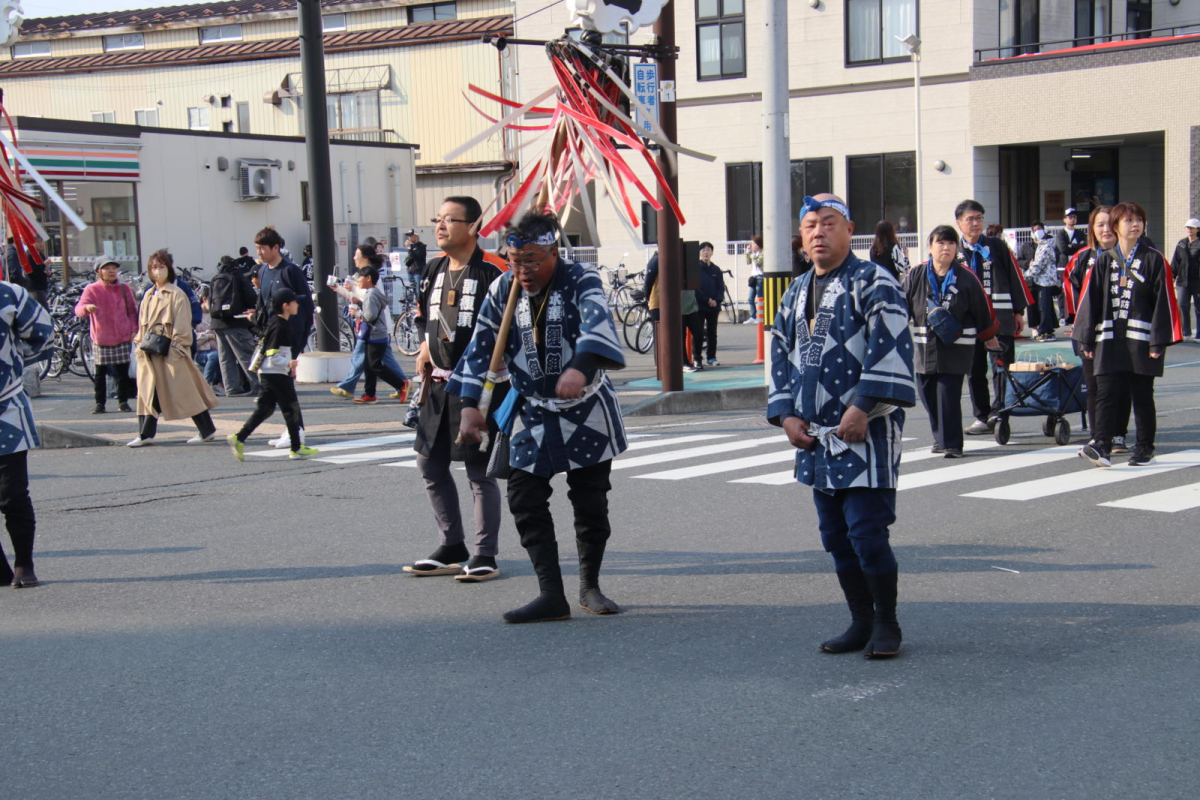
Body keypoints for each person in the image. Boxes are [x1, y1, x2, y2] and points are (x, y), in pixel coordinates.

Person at [450, 211, 627, 624]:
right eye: (515, 260)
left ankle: (590, 584)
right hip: (531, 410)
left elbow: (597, 325)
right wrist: (471, 406)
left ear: (554, 251)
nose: (523, 270)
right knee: (525, 499)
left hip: (586, 408)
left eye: (532, 259)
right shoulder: (502, 288)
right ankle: (551, 593)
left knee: (590, 503)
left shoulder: (580, 279)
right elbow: (480, 348)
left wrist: (580, 366)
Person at [767, 194, 916, 659]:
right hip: (816, 436)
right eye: (810, 225)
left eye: (828, 223)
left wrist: (862, 404)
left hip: (865, 430)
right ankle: (860, 619)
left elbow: (891, 342)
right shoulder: (793, 292)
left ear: (850, 230)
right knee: (834, 536)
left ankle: (887, 622)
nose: (818, 232)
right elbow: (779, 358)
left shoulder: (874, 280)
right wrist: (786, 414)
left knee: (867, 533)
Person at [404, 196, 507, 582]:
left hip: (480, 388)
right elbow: (422, 315)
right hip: (437, 384)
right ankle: (452, 544)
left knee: (479, 473)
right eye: (438, 218)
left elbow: (508, 327)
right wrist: (426, 344)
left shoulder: (494, 271)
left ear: (474, 226)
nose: (441, 226)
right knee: (429, 463)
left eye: (451, 219)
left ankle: (484, 554)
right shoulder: (433, 268)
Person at [1075, 202, 1181, 468]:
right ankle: (1101, 444)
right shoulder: (1104, 260)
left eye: (1139, 220)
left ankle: (1145, 447)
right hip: (1109, 339)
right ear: (1116, 227)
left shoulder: (1154, 259)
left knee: (1142, 395)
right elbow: (1091, 302)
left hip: (1142, 339)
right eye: (1128, 220)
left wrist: (1159, 340)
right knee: (1106, 392)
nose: (1135, 225)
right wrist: (1086, 337)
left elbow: (1164, 302)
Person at [903, 226, 1000, 458]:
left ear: (956, 248)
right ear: (930, 247)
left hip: (955, 348)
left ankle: (953, 444)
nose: (945, 247)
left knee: (948, 395)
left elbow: (982, 311)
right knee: (927, 396)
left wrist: (990, 338)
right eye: (940, 243)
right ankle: (940, 440)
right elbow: (900, 307)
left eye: (950, 243)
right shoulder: (916, 275)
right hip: (924, 349)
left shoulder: (966, 277)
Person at [954, 200, 1032, 435]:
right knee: (974, 369)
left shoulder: (997, 246)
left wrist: (1018, 311)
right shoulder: (953, 252)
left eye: (979, 217)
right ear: (959, 223)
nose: (976, 223)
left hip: (1000, 317)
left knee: (1002, 367)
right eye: (970, 219)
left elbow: (1014, 277)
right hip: (969, 323)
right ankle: (982, 415)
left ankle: (1000, 412)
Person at [128, 249, 220, 448]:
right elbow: (141, 323)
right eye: (154, 267)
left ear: (169, 269)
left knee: (185, 392)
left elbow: (183, 324)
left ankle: (206, 429)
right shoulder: (149, 294)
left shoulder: (177, 294)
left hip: (170, 350)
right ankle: (145, 434)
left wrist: (177, 348)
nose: (157, 271)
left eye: (161, 267)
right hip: (149, 350)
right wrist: (138, 343)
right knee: (147, 393)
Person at [1064, 206, 1130, 454]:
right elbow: (1070, 289)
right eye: (1099, 224)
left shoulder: (1130, 257)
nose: (1105, 229)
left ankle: (1119, 435)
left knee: (1121, 384)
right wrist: (1078, 323)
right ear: (1092, 229)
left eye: (1109, 223)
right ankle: (1098, 435)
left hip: (1122, 332)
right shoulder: (1082, 257)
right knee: (1094, 386)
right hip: (1090, 333)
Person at [0, 280, 53, 587]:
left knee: (12, 493)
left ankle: (24, 563)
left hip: (5, 407)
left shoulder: (9, 293)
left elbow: (42, 333)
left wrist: (14, 362)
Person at [228, 288, 319, 461]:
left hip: (269, 372)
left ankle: (239, 438)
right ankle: (296, 448)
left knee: (266, 409)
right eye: (294, 302)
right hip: (276, 372)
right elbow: (272, 353)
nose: (297, 305)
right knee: (290, 409)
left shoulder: (275, 321)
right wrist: (288, 363)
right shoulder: (280, 325)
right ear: (286, 306)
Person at [254, 227, 314, 448]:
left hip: (288, 337)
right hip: (271, 337)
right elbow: (262, 303)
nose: (259, 252)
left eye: (263, 248)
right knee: (277, 387)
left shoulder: (290, 271)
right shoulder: (262, 272)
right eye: (257, 248)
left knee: (284, 386)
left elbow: (306, 305)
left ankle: (296, 431)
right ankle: (292, 430)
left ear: (276, 247)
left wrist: (297, 341)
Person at [330, 245, 410, 400]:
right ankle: (400, 385)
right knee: (378, 361)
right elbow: (360, 298)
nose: (354, 257)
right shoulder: (363, 276)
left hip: (372, 328)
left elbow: (368, 301)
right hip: (374, 327)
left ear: (366, 257)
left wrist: (353, 293)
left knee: (364, 359)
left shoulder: (371, 276)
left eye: (356, 254)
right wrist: (340, 289)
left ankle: (349, 387)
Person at [76, 257, 139, 414]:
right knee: (99, 374)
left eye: (114, 268)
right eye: (107, 268)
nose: (111, 271)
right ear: (99, 272)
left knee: (122, 373)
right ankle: (100, 403)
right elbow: (78, 309)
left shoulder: (124, 288)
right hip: (101, 337)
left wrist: (134, 330)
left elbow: (132, 312)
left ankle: (123, 402)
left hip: (122, 335)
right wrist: (86, 308)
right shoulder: (91, 289)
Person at [348, 265, 409, 404]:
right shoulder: (373, 293)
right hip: (375, 334)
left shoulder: (370, 295)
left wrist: (357, 313)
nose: (358, 280)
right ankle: (370, 394)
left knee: (375, 365)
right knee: (368, 365)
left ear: (368, 278)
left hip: (375, 334)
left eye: (360, 278)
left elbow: (370, 316)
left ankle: (401, 384)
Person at [206, 251, 259, 397]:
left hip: (217, 323)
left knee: (225, 357)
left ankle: (231, 388)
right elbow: (251, 298)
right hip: (236, 321)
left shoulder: (215, 279)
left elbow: (210, 301)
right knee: (245, 354)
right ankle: (257, 386)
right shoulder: (238, 277)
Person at [1023, 222, 1062, 341]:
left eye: (1040, 229)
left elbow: (1039, 264)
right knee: (1045, 306)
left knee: (1044, 307)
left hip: (1045, 281)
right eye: (1035, 230)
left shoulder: (1046, 245)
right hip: (1041, 280)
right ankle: (1048, 330)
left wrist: (1026, 275)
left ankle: (1044, 330)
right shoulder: (1043, 244)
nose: (1037, 232)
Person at [1054, 208, 1088, 324]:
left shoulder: (1080, 233)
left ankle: (1077, 314)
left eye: (1074, 217)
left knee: (1077, 289)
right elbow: (1063, 249)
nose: (1072, 219)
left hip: (1077, 265)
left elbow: (1085, 247)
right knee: (1063, 291)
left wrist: (1071, 246)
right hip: (1063, 266)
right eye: (1070, 217)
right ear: (1064, 219)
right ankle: (1063, 315)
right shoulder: (1061, 234)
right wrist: (1077, 246)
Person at [696, 241, 725, 367]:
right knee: (698, 332)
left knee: (712, 332)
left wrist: (716, 300)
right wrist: (706, 299)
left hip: (714, 306)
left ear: (712, 252)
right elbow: (695, 288)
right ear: (699, 253)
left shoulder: (716, 269)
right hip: (700, 305)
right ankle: (697, 358)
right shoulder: (696, 268)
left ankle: (711, 357)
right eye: (703, 250)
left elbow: (720, 287)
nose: (706, 252)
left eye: (708, 250)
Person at [1172, 218, 1200, 341]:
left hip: (1197, 281)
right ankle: (1186, 333)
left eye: (1192, 228)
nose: (1189, 230)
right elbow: (1176, 262)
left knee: (1198, 308)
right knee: (1183, 305)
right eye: (1187, 227)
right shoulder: (1181, 243)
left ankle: (1199, 334)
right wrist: (1172, 276)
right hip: (1183, 281)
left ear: (1197, 229)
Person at [744, 235, 763, 323]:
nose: (752, 246)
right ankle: (753, 316)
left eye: (754, 244)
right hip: (753, 277)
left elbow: (759, 263)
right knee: (750, 298)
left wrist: (753, 254)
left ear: (759, 245)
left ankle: (761, 316)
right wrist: (748, 252)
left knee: (760, 298)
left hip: (760, 277)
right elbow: (748, 262)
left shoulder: (763, 253)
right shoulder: (753, 254)